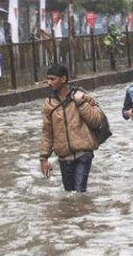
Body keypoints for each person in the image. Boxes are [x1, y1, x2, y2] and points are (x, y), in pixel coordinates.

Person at [39, 64, 105, 192]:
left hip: (83, 153)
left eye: (53, 79)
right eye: (48, 79)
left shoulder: (82, 96)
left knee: (79, 191)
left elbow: (97, 120)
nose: (49, 83)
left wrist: (81, 104)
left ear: (63, 79)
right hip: (64, 157)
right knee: (69, 194)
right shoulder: (49, 104)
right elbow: (47, 132)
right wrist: (44, 157)